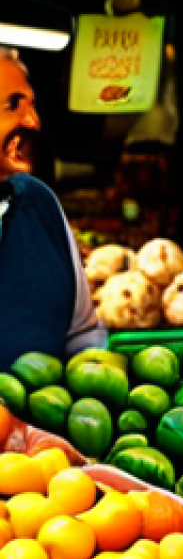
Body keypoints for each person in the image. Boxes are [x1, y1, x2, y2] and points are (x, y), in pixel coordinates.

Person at [0, 48, 105, 372]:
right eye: (13, 105)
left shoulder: (40, 206)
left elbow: (84, 334)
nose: (33, 121)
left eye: (31, 106)